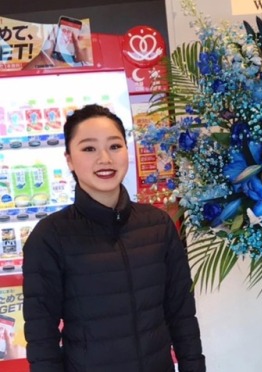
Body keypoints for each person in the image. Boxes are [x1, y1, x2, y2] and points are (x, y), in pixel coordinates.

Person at [22, 104, 205, 372]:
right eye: (89, 148)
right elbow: (42, 337)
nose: (105, 158)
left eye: (115, 146)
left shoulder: (157, 225)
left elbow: (182, 314)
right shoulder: (50, 236)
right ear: (69, 159)